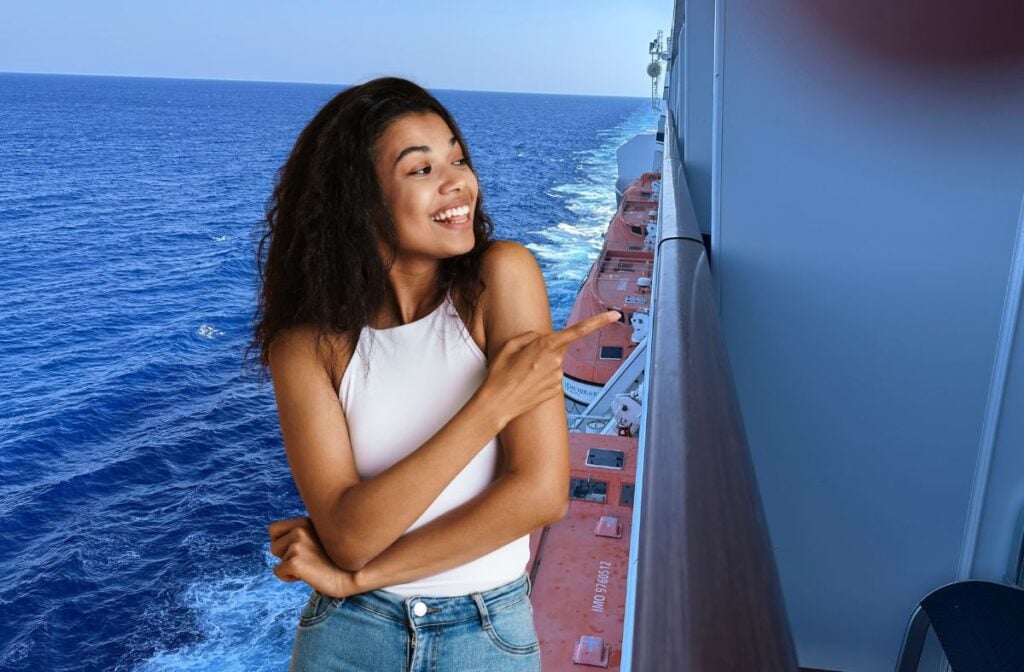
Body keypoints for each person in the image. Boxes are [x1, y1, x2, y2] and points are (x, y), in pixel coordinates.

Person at [247, 76, 620, 671]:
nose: (458, 183)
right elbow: (345, 534)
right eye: (420, 170)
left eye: (458, 157)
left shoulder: (502, 276)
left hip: (484, 633)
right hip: (348, 639)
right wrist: (490, 406)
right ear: (357, 199)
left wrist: (359, 576)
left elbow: (539, 495)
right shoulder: (304, 346)